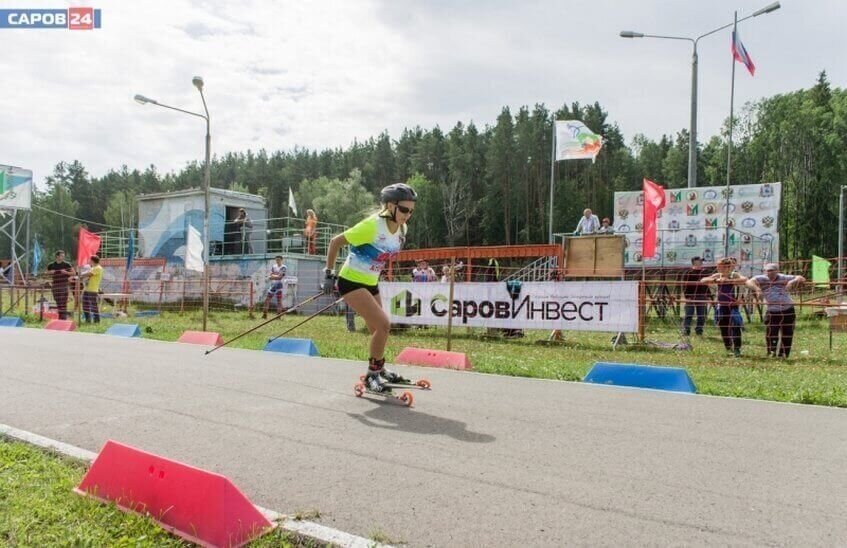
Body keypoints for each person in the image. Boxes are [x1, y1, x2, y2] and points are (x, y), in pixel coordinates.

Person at [322, 182, 416, 393]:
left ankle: (379, 369)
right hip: (351, 281)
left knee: (377, 330)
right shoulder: (372, 226)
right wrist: (328, 274)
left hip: (371, 282)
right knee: (384, 325)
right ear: (390, 206)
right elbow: (335, 242)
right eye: (404, 209)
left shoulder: (402, 229)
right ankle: (371, 375)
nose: (407, 215)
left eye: (411, 211)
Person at [746, 263, 806, 358]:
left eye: (771, 270)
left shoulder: (783, 277)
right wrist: (757, 289)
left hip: (787, 309)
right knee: (771, 333)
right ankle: (771, 352)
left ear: (777, 271)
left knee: (787, 333)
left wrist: (792, 282)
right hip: (772, 310)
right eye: (767, 271)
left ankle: (783, 354)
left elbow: (801, 278)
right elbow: (748, 282)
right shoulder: (761, 278)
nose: (769, 273)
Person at [701, 257, 747, 357]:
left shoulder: (734, 275)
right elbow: (703, 280)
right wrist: (716, 280)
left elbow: (744, 279)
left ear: (727, 267)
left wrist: (730, 281)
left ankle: (737, 348)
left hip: (733, 305)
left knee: (735, 326)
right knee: (723, 326)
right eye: (718, 266)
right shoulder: (718, 275)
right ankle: (728, 347)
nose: (718, 268)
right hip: (722, 305)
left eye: (720, 266)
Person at [681, 257, 711, 336]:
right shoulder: (688, 272)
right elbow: (684, 285)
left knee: (701, 315)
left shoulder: (704, 272)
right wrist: (687, 296)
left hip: (702, 295)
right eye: (698, 262)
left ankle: (699, 330)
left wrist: (708, 294)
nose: (700, 264)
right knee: (689, 314)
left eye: (701, 262)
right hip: (691, 296)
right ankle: (686, 330)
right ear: (694, 263)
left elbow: (707, 285)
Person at [46, 250, 74, 320]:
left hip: (64, 284)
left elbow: (74, 273)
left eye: (63, 256)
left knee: (63, 301)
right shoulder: (51, 265)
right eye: (61, 255)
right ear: (57, 256)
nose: (63, 257)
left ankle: (63, 318)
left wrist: (66, 272)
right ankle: (60, 316)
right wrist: (50, 272)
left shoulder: (67, 264)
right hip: (55, 285)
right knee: (57, 300)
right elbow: (46, 272)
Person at [79, 255, 103, 324]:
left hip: (93, 289)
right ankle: (88, 319)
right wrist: (81, 276)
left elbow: (89, 274)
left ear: (92, 260)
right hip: (86, 289)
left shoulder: (98, 268)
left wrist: (80, 275)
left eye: (90, 260)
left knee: (93, 305)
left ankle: (97, 320)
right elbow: (85, 275)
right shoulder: (92, 268)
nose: (89, 261)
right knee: (85, 304)